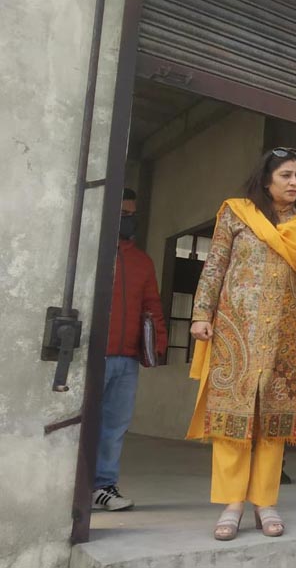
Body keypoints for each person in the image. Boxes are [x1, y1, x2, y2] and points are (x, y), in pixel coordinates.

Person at [186, 147, 296, 541]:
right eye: (286, 175)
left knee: (274, 422)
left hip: (285, 337)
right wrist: (201, 313)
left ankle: (265, 502)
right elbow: (215, 265)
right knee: (232, 419)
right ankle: (232, 505)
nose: (294, 183)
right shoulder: (236, 213)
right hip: (235, 332)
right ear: (267, 178)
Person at [92, 188, 167, 511]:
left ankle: (102, 486)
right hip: (92, 357)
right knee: (82, 424)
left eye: (132, 215)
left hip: (127, 359)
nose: (129, 221)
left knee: (114, 427)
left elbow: (152, 306)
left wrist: (158, 343)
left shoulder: (142, 262)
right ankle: (70, 487)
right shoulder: (92, 253)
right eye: (123, 215)